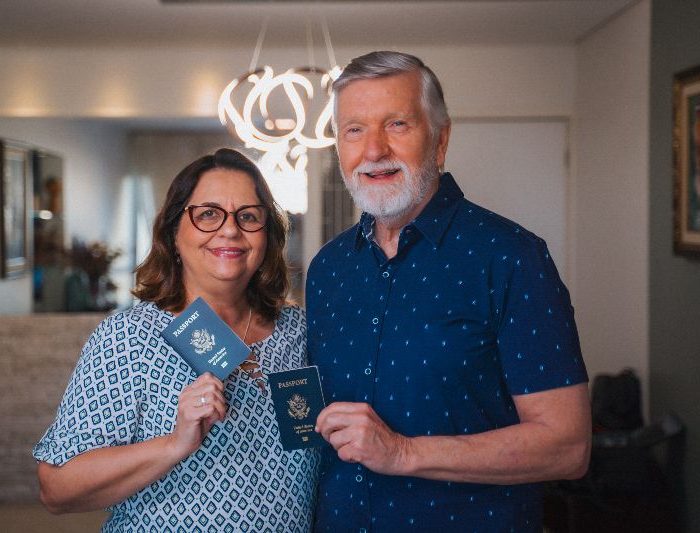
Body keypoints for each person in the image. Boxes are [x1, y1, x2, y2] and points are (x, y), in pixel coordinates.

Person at [307, 51, 591, 532]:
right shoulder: (327, 269)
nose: (373, 150)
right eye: (354, 129)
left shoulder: (511, 257)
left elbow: (567, 448)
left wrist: (401, 453)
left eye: (396, 124)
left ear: (440, 140)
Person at [34, 148, 319, 532]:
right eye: (207, 214)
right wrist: (174, 443)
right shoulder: (131, 337)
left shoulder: (299, 333)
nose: (230, 229)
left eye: (248, 216)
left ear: (267, 235)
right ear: (173, 231)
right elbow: (56, 487)